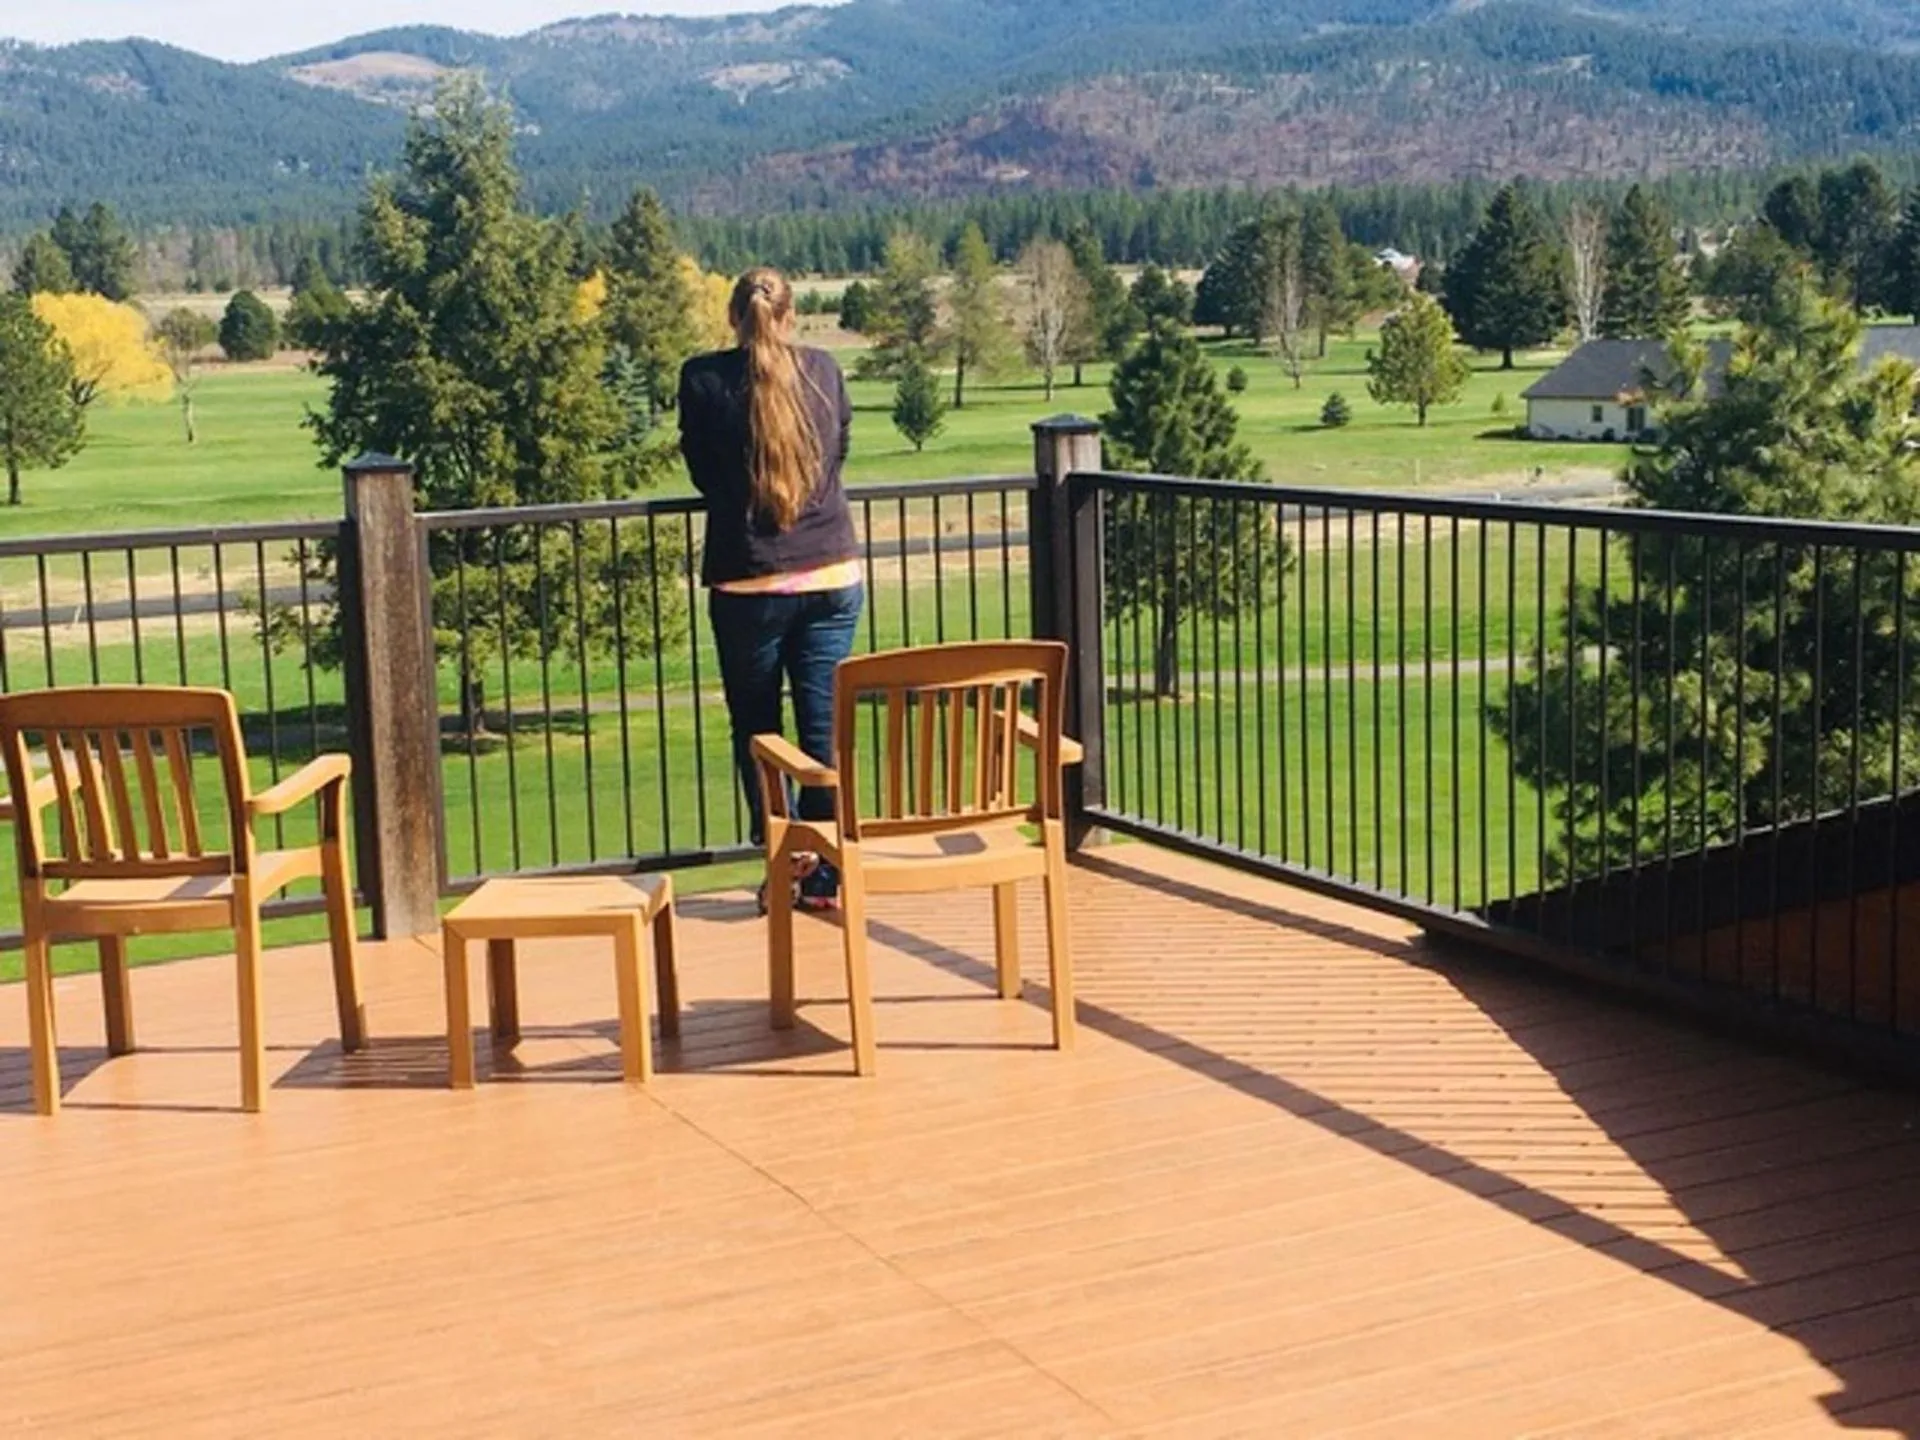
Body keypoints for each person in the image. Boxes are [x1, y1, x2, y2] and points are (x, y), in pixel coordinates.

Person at [679, 267, 862, 912]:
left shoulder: (702, 379)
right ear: (791, 318)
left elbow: (705, 475)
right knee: (823, 732)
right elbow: (837, 454)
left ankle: (783, 863)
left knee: (758, 730)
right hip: (832, 574)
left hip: (748, 578)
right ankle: (827, 873)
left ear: (734, 319)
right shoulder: (825, 370)